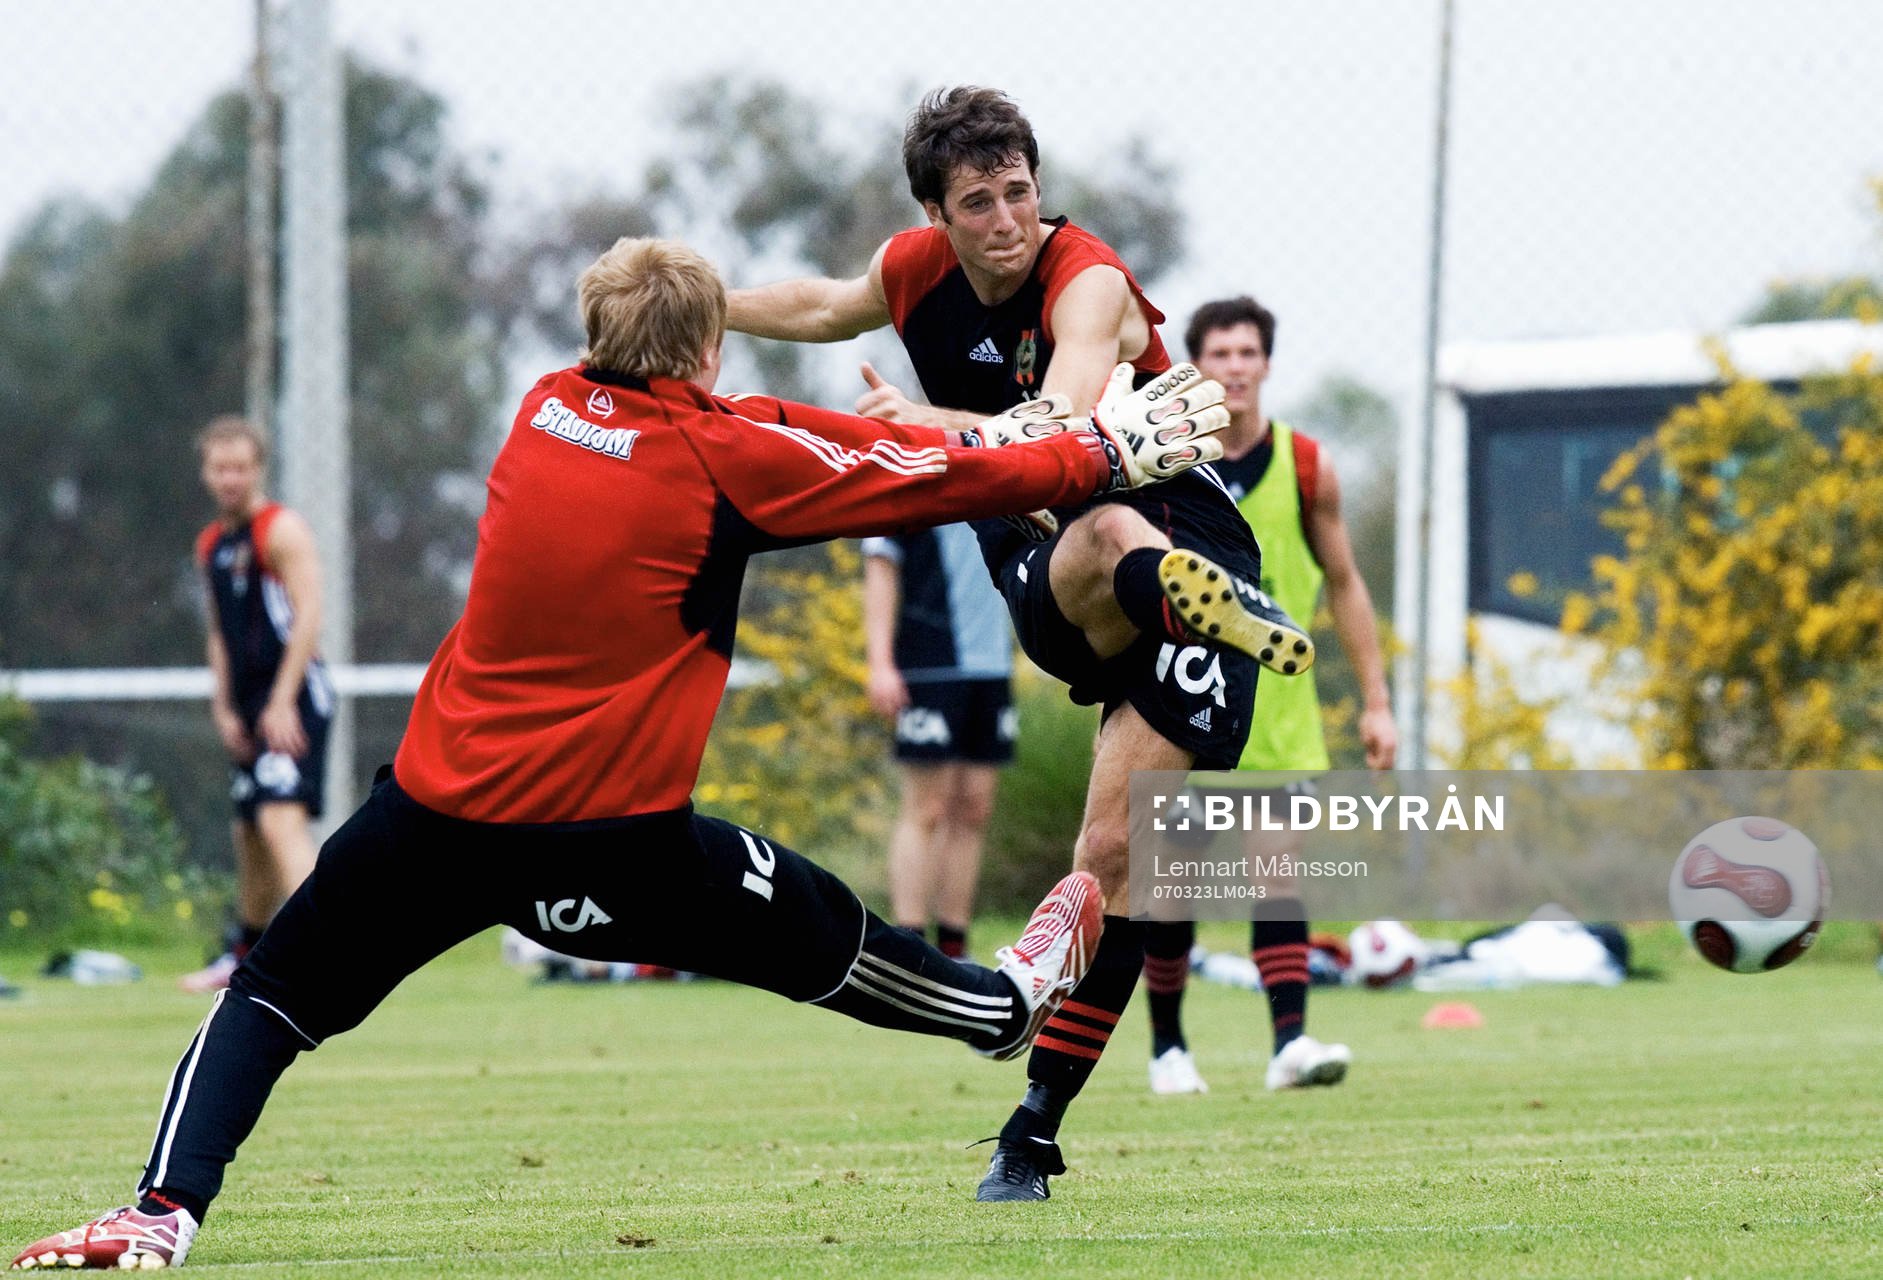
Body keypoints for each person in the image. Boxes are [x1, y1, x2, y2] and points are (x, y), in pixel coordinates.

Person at [8, 236, 1233, 1271]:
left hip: (435, 818)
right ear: (706, 352)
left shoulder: (540, 408)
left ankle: (159, 1209)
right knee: (834, 938)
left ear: (595, 331)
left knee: (270, 992)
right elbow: (916, 471)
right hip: (621, 844)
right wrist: (1105, 453)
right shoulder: (727, 450)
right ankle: (1003, 1004)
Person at [725, 86, 1314, 1203]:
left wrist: (922, 427)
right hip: (1060, 569)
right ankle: (1174, 597)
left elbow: (1056, 427)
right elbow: (822, 305)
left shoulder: (1084, 278)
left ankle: (1028, 1135)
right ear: (937, 213)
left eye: (1018, 193)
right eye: (978, 201)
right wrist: (712, 303)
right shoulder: (911, 271)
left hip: (1182, 540)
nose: (1006, 219)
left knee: (1111, 869)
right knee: (1092, 532)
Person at [1141, 297, 1398, 1096]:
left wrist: (1375, 700)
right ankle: (1167, 1050)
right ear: (1195, 367)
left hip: (1279, 715)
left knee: (1275, 874)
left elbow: (1345, 584)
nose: (1235, 366)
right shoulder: (1163, 458)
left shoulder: (1307, 466)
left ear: (1265, 365)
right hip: (1184, 701)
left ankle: (1289, 1041)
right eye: (1219, 353)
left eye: (1248, 352)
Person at [180, 417, 330, 995]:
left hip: (294, 701)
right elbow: (219, 632)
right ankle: (245, 951)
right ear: (206, 473)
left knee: (279, 819)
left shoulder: (281, 530)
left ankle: (329, 947)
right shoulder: (212, 545)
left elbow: (310, 614)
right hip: (247, 709)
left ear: (258, 468)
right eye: (220, 468)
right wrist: (223, 707)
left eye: (240, 467)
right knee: (248, 831)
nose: (230, 479)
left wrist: (283, 700)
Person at [861, 520, 1016, 960]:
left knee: (974, 807)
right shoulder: (909, 477)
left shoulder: (999, 475)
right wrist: (880, 663)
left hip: (991, 667)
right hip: (927, 664)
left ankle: (954, 949)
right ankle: (909, 948)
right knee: (926, 807)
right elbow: (880, 564)